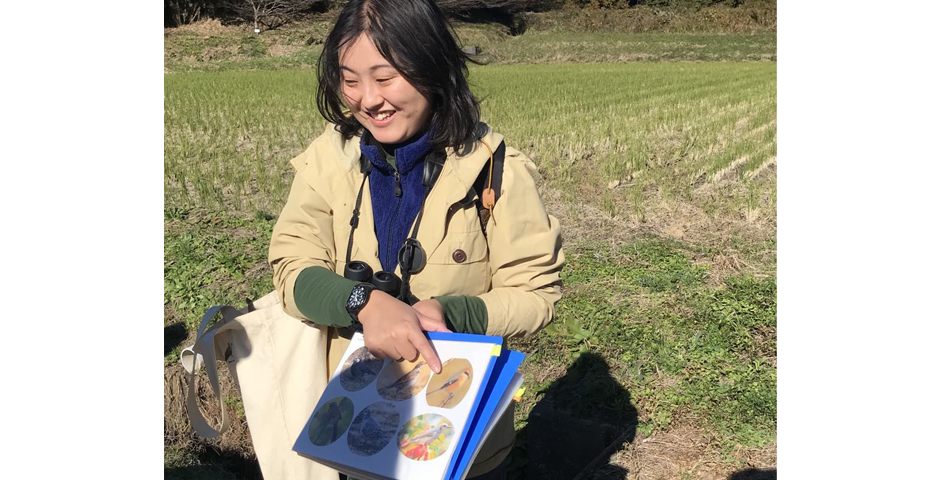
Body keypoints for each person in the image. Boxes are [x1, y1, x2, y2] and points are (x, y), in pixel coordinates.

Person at [267, 0, 564, 478]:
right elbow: (290, 268)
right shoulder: (329, 160)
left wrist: (456, 311)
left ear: (432, 67)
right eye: (350, 80)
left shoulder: (493, 169)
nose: (367, 99)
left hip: (453, 430)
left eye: (385, 78)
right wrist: (361, 301)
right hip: (350, 424)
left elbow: (536, 294)